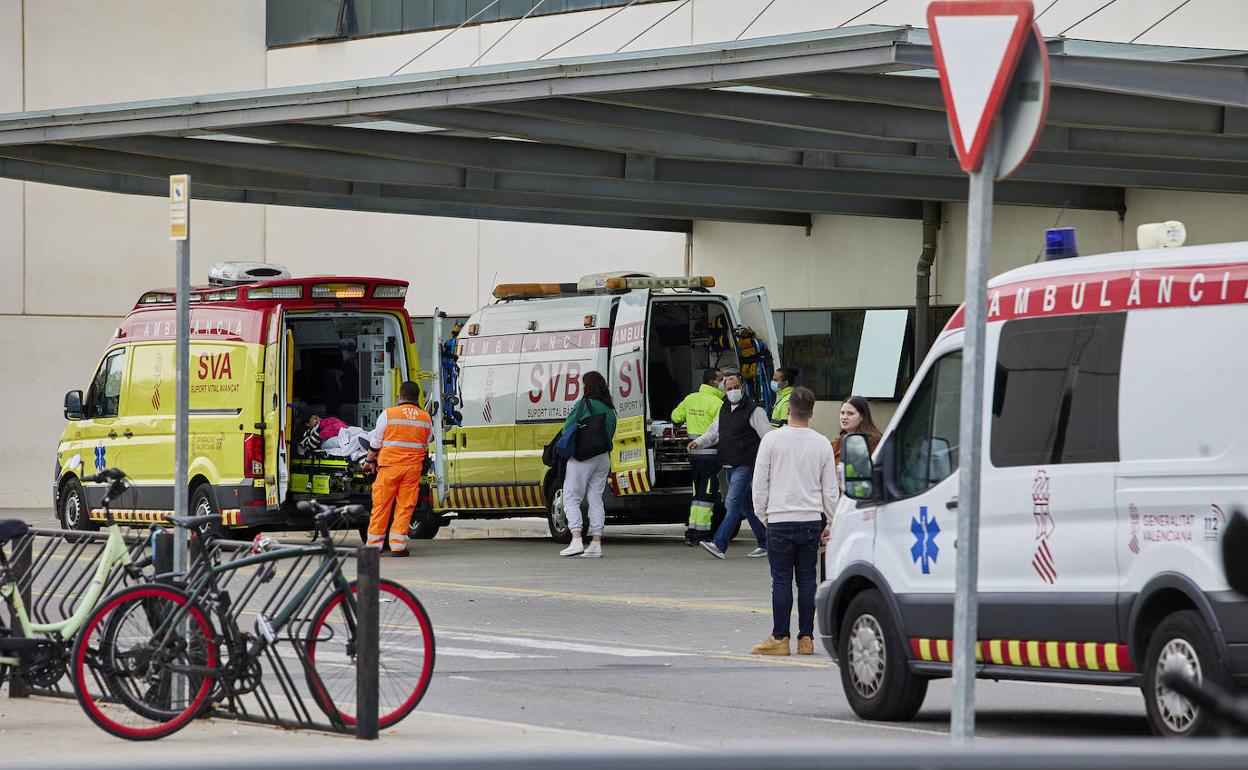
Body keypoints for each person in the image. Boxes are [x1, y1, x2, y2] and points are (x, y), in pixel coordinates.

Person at [750, 387, 839, 656]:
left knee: (781, 580)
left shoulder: (771, 440)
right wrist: (832, 522)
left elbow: (759, 482)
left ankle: (780, 637)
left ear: (788, 409)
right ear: (812, 412)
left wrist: (761, 514)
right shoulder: (822, 442)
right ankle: (806, 638)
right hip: (811, 519)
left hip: (779, 519)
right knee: (807, 580)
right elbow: (830, 490)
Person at [688, 370, 771, 559]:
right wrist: (698, 442)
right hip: (728, 465)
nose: (732, 391)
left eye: (736, 388)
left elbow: (768, 437)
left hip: (745, 464)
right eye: (729, 389)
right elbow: (713, 433)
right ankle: (766, 542)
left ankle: (719, 544)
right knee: (746, 506)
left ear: (742, 388)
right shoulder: (724, 409)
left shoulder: (754, 410)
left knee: (732, 504)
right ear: (724, 391)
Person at [363, 381, 432, 557]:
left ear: (399, 397)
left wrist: (369, 460)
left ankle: (374, 546)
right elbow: (427, 441)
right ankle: (397, 546)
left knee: (381, 506)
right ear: (418, 398)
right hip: (412, 470)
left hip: (389, 468)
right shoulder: (425, 418)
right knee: (405, 507)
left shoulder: (388, 414)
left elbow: (376, 442)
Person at [559, 370, 618, 559]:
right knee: (595, 498)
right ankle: (595, 543)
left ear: (587, 386)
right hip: (603, 457)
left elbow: (568, 428)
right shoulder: (610, 408)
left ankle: (576, 538)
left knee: (571, 496)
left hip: (582, 457)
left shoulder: (584, 404)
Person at [671, 368, 725, 545]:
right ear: (712, 383)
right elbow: (719, 431)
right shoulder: (718, 403)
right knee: (706, 496)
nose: (723, 382)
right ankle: (701, 535)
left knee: (697, 495)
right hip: (711, 456)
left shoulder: (690, 398)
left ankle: (693, 531)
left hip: (694, 455)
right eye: (721, 379)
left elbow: (675, 417)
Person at [831, 395, 883, 488]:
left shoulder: (872, 443)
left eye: (850, 414)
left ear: (862, 417)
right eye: (842, 413)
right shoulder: (837, 442)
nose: (844, 417)